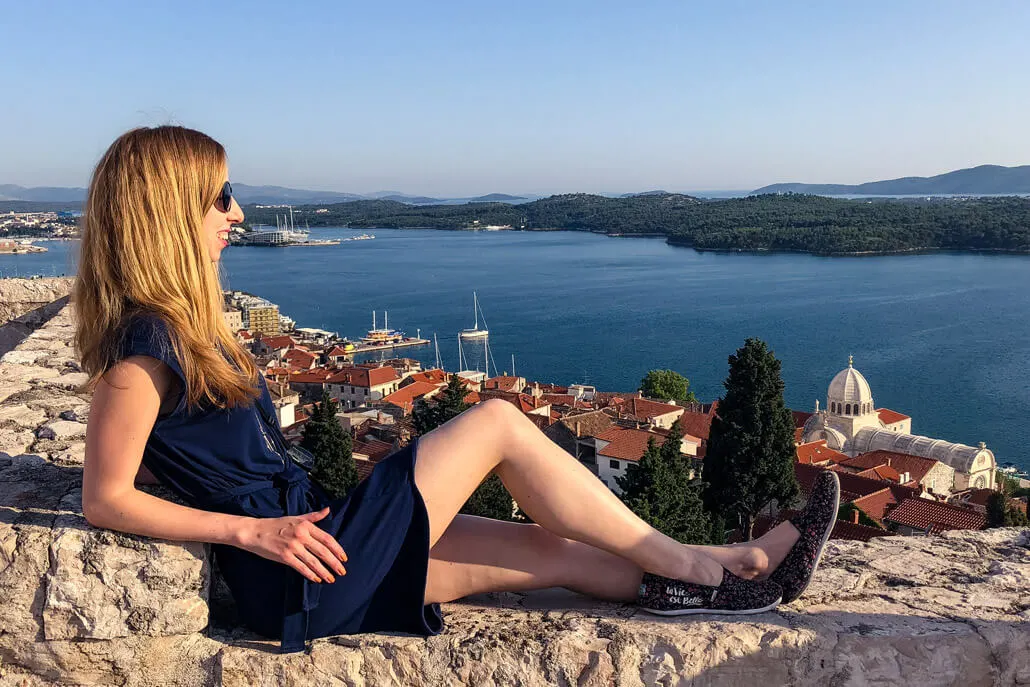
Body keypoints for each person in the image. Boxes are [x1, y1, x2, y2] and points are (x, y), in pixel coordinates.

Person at [75, 125, 841, 654]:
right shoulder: (146, 345)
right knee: (498, 423)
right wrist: (246, 532)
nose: (236, 212)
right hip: (295, 565)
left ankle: (731, 569)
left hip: (318, 549)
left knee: (553, 552)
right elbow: (102, 497)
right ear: (167, 211)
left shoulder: (185, 329)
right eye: (221, 196)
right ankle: (699, 564)